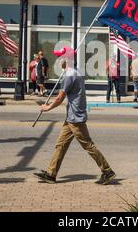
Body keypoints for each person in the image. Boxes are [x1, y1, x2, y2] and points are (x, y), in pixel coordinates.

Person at [34, 50, 116, 185]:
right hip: (72, 117)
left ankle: (107, 171)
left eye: (60, 57)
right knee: (60, 145)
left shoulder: (70, 75)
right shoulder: (75, 72)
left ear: (66, 59)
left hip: (76, 117)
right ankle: (51, 173)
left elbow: (60, 97)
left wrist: (47, 107)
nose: (58, 60)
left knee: (88, 145)